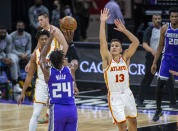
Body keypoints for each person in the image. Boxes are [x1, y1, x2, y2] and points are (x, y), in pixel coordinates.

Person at [100, 8, 139, 131]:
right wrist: (102, 22)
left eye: (117, 46)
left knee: (133, 122)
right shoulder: (107, 59)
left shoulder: (125, 58)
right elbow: (102, 43)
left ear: (121, 49)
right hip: (115, 96)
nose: (114, 47)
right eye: (112, 46)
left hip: (127, 93)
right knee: (122, 126)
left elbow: (136, 42)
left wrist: (124, 30)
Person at [39, 29, 78, 131]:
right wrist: (71, 42)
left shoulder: (48, 72)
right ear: (63, 60)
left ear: (50, 62)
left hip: (57, 110)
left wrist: (51, 37)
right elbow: (75, 59)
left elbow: (42, 57)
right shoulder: (70, 69)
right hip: (72, 110)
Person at [151, 7, 178, 121]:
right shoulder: (165, 28)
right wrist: (154, 62)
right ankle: (158, 109)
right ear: (169, 17)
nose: (174, 18)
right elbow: (160, 46)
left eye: (176, 16)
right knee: (160, 84)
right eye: (172, 16)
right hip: (167, 59)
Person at [136, 14, 163, 106]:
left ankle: (173, 102)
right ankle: (139, 100)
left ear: (161, 19)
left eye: (159, 18)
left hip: (163, 57)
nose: (157, 20)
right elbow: (144, 44)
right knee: (148, 79)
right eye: (155, 19)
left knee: (169, 80)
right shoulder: (149, 30)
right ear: (152, 20)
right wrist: (152, 51)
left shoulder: (164, 29)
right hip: (151, 58)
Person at [0, 25, 22, 93]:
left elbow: (8, 51)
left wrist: (7, 59)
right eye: (1, 31)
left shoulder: (8, 37)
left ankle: (15, 84)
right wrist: (3, 58)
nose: (3, 32)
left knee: (13, 60)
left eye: (4, 31)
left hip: (4, 55)